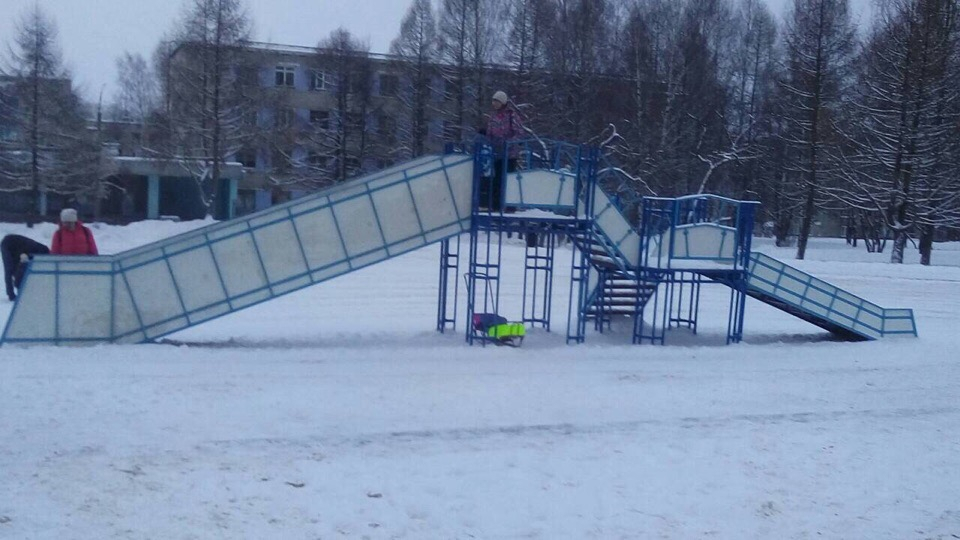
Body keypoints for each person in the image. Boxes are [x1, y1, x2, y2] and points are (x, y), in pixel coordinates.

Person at [483, 90, 523, 212]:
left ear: (502, 102)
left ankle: (510, 206)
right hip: (497, 153)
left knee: (509, 179)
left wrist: (509, 143)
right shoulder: (493, 116)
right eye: (493, 101)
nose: (494, 103)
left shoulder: (511, 115)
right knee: (496, 179)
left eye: (496, 101)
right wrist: (487, 139)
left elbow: (519, 133)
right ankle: (496, 205)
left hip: (510, 154)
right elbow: (490, 133)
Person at [1, 234, 50, 301]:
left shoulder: (40, 250)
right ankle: (11, 294)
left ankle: (15, 292)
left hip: (15, 245)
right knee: (10, 269)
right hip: (8, 244)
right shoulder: (40, 252)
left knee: (14, 269)